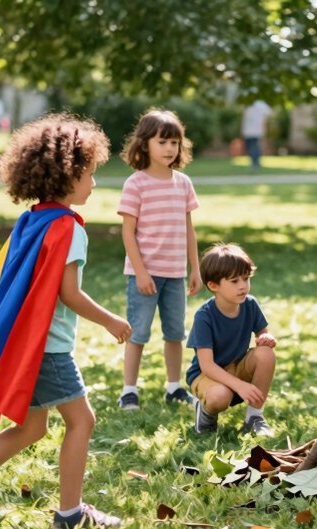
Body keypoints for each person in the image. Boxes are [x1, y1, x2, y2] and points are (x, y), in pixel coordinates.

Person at [0, 114, 132, 529]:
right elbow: (68, 293)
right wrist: (111, 320)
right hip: (49, 348)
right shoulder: (69, 228)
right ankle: (70, 514)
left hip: (26, 345)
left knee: (33, 426)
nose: (93, 183)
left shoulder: (33, 219)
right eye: (90, 174)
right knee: (83, 421)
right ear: (67, 175)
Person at [117, 109, 202, 411]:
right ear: (145, 144)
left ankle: (174, 387)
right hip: (145, 275)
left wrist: (195, 267)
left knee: (175, 333)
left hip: (175, 274)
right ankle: (129, 390)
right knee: (138, 333)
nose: (169, 149)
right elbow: (128, 233)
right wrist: (140, 273)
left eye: (175, 142)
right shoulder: (135, 184)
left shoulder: (183, 183)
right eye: (163, 141)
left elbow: (188, 228)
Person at [187, 243, 276, 436]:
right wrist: (239, 385)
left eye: (246, 278)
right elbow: (207, 365)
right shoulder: (204, 316)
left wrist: (266, 338)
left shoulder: (250, 304)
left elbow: (263, 334)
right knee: (220, 396)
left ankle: (254, 417)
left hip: (236, 367)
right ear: (213, 285)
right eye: (235, 281)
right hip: (207, 375)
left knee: (266, 354)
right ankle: (206, 415)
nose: (243, 285)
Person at [241, 100, 273, 170]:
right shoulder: (259, 111)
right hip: (254, 133)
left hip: (250, 133)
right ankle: (255, 163)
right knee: (254, 148)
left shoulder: (250, 110)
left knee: (253, 148)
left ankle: (255, 164)